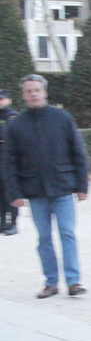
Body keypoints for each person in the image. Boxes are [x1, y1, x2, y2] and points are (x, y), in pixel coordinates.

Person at [1, 75, 89, 298]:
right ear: (23, 95)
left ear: (45, 92)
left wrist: (82, 185)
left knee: (67, 233)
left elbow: (78, 152)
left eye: (37, 90)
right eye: (29, 91)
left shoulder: (62, 118)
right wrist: (14, 193)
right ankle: (51, 282)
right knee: (44, 238)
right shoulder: (16, 125)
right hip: (35, 190)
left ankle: (73, 281)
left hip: (62, 187)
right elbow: (9, 162)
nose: (33, 94)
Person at [0, 88, 19, 235]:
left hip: (7, 159)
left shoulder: (12, 116)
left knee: (10, 192)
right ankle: (2, 222)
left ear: (9, 100)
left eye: (2, 99)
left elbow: (8, 136)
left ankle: (12, 223)